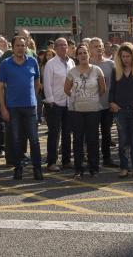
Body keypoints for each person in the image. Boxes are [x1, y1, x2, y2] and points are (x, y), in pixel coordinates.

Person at [0, 36, 43, 181]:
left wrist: (33, 98)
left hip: (30, 107)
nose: (20, 48)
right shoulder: (5, 64)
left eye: (23, 45)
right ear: (12, 47)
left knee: (34, 140)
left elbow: (37, 83)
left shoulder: (32, 61)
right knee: (16, 140)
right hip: (13, 107)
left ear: (26, 47)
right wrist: (3, 108)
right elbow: (0, 88)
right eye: (17, 45)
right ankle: (18, 169)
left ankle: (37, 169)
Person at [65, 44, 106, 178]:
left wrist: (92, 98)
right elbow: (66, 89)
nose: (83, 55)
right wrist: (77, 98)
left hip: (93, 110)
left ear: (89, 54)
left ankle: (94, 167)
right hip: (76, 111)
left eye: (85, 53)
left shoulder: (97, 70)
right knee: (77, 140)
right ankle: (79, 168)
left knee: (92, 139)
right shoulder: (72, 72)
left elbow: (102, 89)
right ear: (76, 56)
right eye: (80, 53)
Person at [109, 42, 133, 178]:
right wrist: (112, 103)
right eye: (123, 56)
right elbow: (112, 90)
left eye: (128, 56)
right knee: (123, 140)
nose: (125, 59)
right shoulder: (116, 71)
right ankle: (124, 167)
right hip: (120, 111)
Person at [42, 37, 73, 172]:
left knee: (67, 133)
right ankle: (51, 162)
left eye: (65, 45)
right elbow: (47, 83)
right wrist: (51, 100)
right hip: (55, 103)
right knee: (54, 134)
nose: (63, 47)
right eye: (60, 45)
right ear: (55, 48)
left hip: (69, 102)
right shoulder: (51, 63)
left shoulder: (72, 62)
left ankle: (66, 161)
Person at [89, 38, 117, 168]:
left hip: (107, 104)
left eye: (100, 46)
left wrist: (113, 101)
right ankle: (93, 160)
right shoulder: (87, 64)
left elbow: (115, 84)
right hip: (91, 106)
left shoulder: (111, 64)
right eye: (95, 46)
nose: (99, 48)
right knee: (92, 134)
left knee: (106, 133)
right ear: (90, 49)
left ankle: (107, 158)